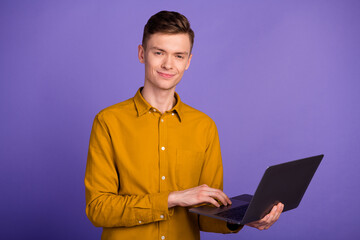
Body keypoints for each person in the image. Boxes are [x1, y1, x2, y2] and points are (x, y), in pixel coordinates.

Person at [85, 10, 283, 240]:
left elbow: (205, 214)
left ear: (188, 61)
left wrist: (242, 219)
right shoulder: (108, 122)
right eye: (159, 52)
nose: (168, 64)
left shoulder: (204, 127)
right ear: (142, 54)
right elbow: (97, 209)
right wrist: (173, 198)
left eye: (179, 56)